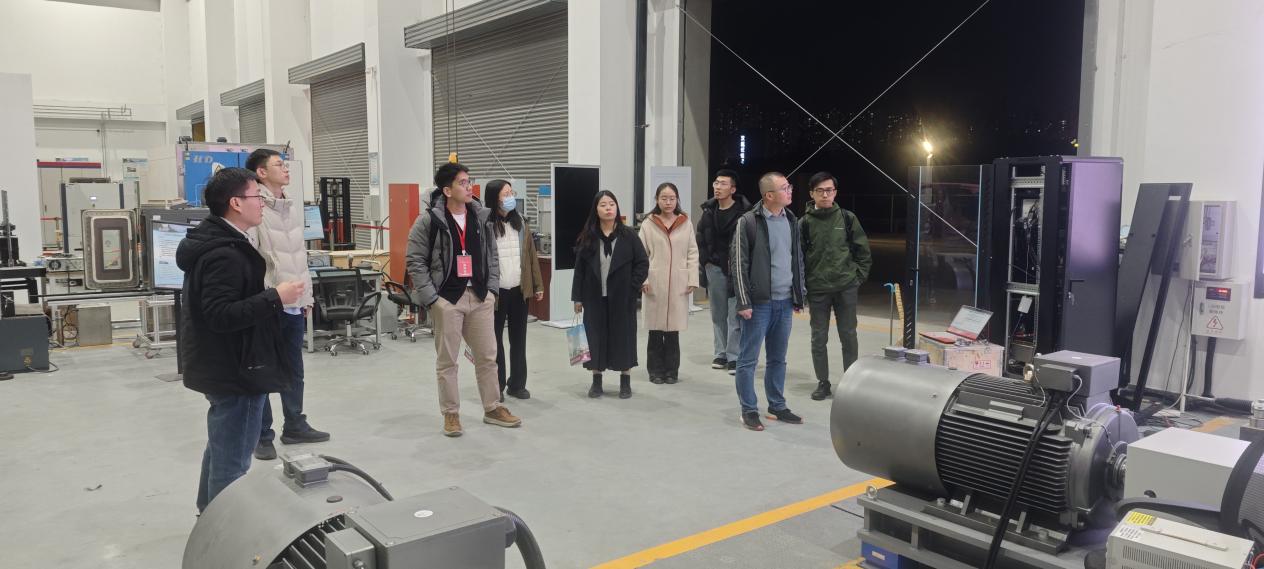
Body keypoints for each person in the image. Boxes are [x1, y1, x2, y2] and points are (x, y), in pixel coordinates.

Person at [177, 167, 306, 512]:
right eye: (256, 196)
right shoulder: (225, 253)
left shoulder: (219, 242)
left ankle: (208, 517)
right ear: (236, 203)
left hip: (224, 364)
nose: (262, 203)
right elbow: (221, 314)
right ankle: (223, 533)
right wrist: (276, 297)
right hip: (237, 369)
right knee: (233, 464)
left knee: (221, 448)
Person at [406, 163, 521, 437]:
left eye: (469, 181)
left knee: (488, 357)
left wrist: (491, 290)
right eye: (463, 183)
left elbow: (491, 255)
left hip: (480, 296)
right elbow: (415, 261)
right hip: (447, 299)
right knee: (448, 361)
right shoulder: (428, 221)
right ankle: (451, 414)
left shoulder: (481, 217)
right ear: (447, 191)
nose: (469, 187)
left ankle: (492, 407)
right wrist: (432, 299)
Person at [244, 149, 328, 462]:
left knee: (294, 368)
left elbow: (299, 257)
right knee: (264, 370)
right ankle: (262, 435)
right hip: (269, 302)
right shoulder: (256, 208)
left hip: (293, 302)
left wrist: (306, 297)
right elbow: (254, 259)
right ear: (261, 172)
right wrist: (266, 297)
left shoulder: (290, 206)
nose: (286, 169)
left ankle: (295, 424)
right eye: (279, 165)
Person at [730, 172, 806, 431]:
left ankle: (777, 405)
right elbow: (738, 264)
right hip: (758, 304)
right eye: (785, 188)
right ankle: (749, 410)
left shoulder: (791, 220)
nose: (790, 190)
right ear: (769, 195)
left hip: (784, 303)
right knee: (748, 359)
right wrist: (743, 302)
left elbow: (796, 259)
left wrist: (798, 294)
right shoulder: (748, 222)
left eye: (789, 186)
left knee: (778, 359)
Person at [800, 171, 872, 401]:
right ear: (812, 193)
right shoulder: (804, 223)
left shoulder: (847, 218)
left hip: (845, 286)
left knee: (848, 335)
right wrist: (803, 286)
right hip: (817, 288)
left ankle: (850, 382)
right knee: (818, 338)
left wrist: (857, 278)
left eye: (829, 190)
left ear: (835, 192)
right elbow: (798, 259)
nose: (825, 194)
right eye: (820, 190)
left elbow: (863, 252)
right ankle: (823, 382)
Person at [572, 191, 649, 399]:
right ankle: (596, 381)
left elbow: (642, 263)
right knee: (595, 338)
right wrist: (577, 297)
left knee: (624, 337)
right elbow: (580, 270)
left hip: (623, 298)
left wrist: (632, 287)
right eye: (603, 205)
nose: (608, 208)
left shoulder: (629, 235)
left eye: (612, 204)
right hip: (594, 298)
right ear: (596, 210)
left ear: (617, 208)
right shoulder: (588, 237)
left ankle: (625, 382)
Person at [486, 179, 544, 400]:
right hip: (496, 292)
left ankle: (517, 384)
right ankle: (497, 386)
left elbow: (531, 256)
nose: (510, 197)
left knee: (519, 339)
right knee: (494, 341)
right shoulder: (485, 224)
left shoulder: (521, 222)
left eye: (511, 193)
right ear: (494, 198)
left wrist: (537, 285)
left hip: (520, 289)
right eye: (505, 194)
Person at [640, 182, 699, 384]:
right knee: (655, 330)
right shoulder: (648, 223)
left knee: (673, 331)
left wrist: (692, 277)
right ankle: (655, 371)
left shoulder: (685, 222)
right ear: (657, 200)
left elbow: (692, 252)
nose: (668, 202)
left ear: (677, 200)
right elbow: (641, 255)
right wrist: (643, 278)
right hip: (654, 282)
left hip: (678, 283)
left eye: (672, 198)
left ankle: (672, 371)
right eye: (664, 198)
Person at [697, 169, 750, 375]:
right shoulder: (709, 211)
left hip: (736, 270)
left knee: (735, 314)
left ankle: (734, 356)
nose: (718, 187)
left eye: (723, 184)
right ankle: (720, 353)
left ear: (733, 189)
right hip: (715, 268)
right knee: (718, 313)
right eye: (716, 183)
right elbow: (700, 237)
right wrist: (706, 262)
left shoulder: (744, 213)